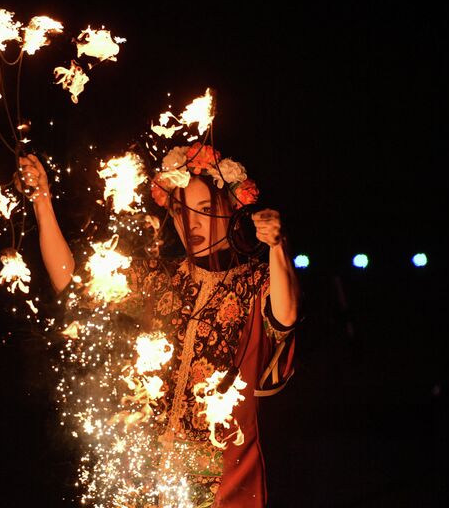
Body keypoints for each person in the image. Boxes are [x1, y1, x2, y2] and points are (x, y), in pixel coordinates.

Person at [16, 143, 301, 508]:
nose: (193, 224)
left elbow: (285, 316)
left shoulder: (256, 283)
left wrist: (278, 246)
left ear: (232, 212)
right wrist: (42, 200)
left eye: (204, 210)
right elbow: (69, 282)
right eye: (182, 212)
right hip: (150, 481)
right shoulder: (161, 280)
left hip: (223, 483)